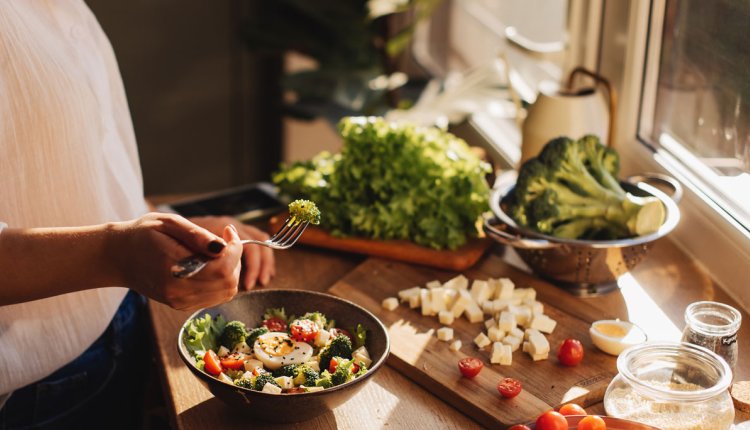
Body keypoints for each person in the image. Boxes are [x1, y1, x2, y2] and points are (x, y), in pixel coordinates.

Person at [0, 1, 275, 428]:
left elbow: (74, 164)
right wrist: (116, 253)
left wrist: (167, 223)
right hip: (34, 394)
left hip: (124, 327)